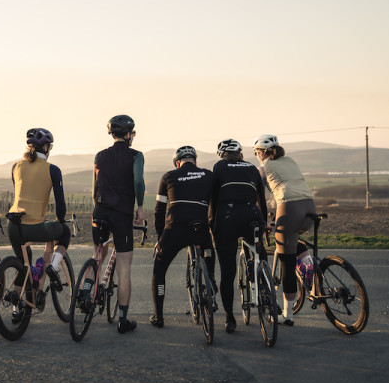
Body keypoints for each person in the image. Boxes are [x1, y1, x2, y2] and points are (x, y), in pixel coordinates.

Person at [253, 134, 316, 327]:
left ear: (262, 152)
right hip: (310, 208)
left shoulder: (263, 168)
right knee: (291, 237)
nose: (256, 156)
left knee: (286, 263)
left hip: (290, 208)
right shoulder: (290, 161)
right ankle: (308, 265)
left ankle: (287, 315)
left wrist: (261, 220)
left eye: (256, 153)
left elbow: (259, 198)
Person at [6, 128, 70, 315]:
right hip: (34, 227)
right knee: (64, 232)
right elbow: (61, 206)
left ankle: (17, 308)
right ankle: (53, 267)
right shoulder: (53, 170)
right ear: (45, 147)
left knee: (23, 263)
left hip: (13, 225)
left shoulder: (16, 166)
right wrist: (59, 221)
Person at [91, 114, 145, 334]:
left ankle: (86, 294)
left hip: (100, 210)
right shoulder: (136, 156)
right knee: (124, 267)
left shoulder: (100, 155)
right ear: (129, 134)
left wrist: (98, 208)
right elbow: (139, 181)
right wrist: (140, 206)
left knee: (97, 255)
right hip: (122, 213)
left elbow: (95, 186)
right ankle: (122, 319)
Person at [151, 146, 214, 328]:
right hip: (200, 229)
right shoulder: (208, 175)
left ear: (177, 163)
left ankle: (158, 317)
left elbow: (159, 211)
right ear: (195, 161)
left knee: (159, 269)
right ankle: (211, 284)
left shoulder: (168, 176)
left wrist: (160, 238)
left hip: (174, 230)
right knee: (209, 252)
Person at [209, 138, 267, 333]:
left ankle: (230, 318)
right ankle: (266, 292)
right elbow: (262, 199)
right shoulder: (252, 167)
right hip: (253, 215)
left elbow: (214, 199)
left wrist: (212, 223)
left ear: (222, 155)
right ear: (240, 154)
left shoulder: (219, 167)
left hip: (227, 218)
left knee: (228, 272)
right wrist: (264, 223)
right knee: (260, 254)